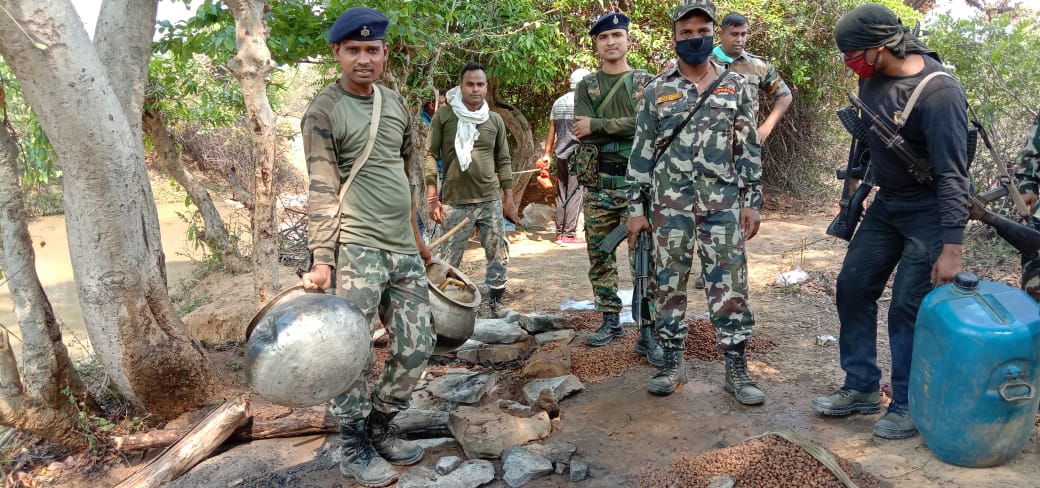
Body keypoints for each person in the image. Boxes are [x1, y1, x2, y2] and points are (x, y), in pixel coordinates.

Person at [811, 3, 970, 440]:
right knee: (853, 287)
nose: (849, 63)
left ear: (882, 46)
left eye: (854, 53)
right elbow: (866, 139)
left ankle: (907, 403)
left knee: (906, 307)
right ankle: (861, 385)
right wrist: (852, 193)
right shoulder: (871, 77)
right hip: (888, 203)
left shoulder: (939, 92)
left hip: (930, 211)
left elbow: (955, 175)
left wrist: (952, 248)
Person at [298, 7, 435, 487]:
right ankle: (353, 443)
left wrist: (420, 242)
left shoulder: (395, 104)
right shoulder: (323, 110)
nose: (362, 58)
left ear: (384, 54)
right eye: (352, 50)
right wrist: (321, 260)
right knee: (352, 351)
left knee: (419, 343)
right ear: (337, 52)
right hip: (355, 247)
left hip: (402, 247)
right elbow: (320, 186)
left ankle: (379, 425)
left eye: (371, 50)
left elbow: (407, 176)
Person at [627, 0, 765, 402]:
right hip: (669, 208)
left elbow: (748, 149)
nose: (693, 39)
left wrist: (751, 200)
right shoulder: (656, 89)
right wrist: (635, 210)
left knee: (730, 284)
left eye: (701, 32)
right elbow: (641, 154)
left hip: (722, 204)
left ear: (713, 34)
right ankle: (673, 361)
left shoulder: (735, 86)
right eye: (685, 33)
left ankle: (736, 367)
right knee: (667, 284)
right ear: (674, 37)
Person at [573, 12, 665, 369]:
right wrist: (615, 128)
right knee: (600, 255)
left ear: (628, 40)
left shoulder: (646, 82)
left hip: (637, 186)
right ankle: (610, 319)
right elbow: (583, 132)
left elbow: (649, 126)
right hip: (597, 185)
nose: (610, 42)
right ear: (596, 45)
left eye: (616, 35)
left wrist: (599, 125)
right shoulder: (588, 86)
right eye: (603, 37)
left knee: (644, 261)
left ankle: (648, 330)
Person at [425, 62, 518, 318]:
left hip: (490, 200)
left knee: (498, 254)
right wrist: (433, 197)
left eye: (480, 84)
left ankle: (496, 304)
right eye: (470, 84)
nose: (475, 89)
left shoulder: (494, 120)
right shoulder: (445, 116)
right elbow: (431, 154)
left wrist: (508, 198)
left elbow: (504, 160)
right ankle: (445, 312)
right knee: (447, 261)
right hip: (455, 203)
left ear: (486, 87)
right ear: (461, 85)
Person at [711, 12, 793, 142]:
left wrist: (767, 127)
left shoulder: (758, 66)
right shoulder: (703, 63)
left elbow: (784, 96)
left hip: (745, 146)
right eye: (734, 34)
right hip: (708, 145)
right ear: (721, 34)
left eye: (743, 34)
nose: (740, 39)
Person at [541, 68, 591, 246]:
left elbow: (552, 129)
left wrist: (547, 154)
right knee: (575, 193)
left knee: (562, 193)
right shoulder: (584, 103)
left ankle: (560, 233)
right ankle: (569, 235)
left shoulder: (559, 102)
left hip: (560, 153)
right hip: (577, 155)